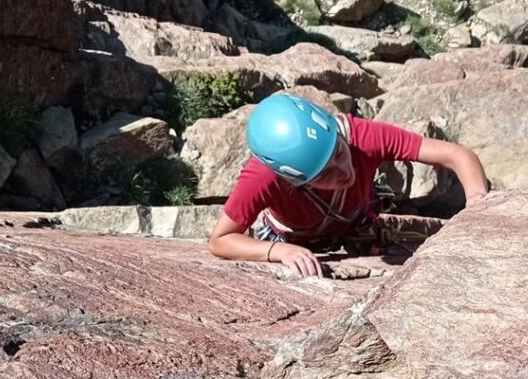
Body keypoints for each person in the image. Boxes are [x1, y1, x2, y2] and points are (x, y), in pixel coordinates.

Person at [208, 92, 489, 277]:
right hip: (291, 237)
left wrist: (477, 201)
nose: (343, 171)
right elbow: (221, 240)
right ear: (293, 181)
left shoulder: (360, 135)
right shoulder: (263, 177)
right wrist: (277, 251)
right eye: (324, 174)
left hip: (356, 220)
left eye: (340, 153)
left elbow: (457, 155)